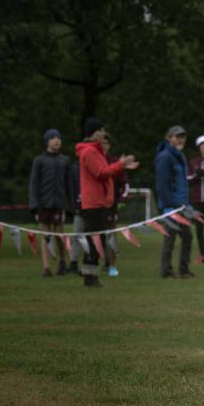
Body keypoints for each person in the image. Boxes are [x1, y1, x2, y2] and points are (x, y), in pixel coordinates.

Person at [75, 118, 139, 287]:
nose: (103, 134)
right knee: (95, 241)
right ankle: (90, 276)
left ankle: (91, 275)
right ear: (93, 132)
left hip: (101, 202)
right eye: (100, 130)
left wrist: (122, 166)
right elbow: (101, 173)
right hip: (94, 203)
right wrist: (121, 164)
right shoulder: (89, 152)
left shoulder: (96, 151)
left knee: (98, 240)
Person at [28, 128, 72, 277]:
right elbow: (34, 184)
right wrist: (34, 205)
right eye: (53, 137)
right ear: (47, 141)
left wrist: (71, 205)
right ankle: (46, 268)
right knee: (45, 236)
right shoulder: (39, 160)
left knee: (60, 235)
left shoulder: (65, 160)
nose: (57, 140)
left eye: (59, 137)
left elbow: (69, 185)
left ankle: (62, 262)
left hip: (59, 205)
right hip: (43, 205)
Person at [155, 125, 194, 279]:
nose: (180, 139)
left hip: (182, 205)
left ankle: (183, 270)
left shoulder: (180, 156)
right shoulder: (165, 157)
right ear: (169, 137)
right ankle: (166, 271)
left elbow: (182, 183)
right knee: (170, 239)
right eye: (177, 136)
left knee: (187, 238)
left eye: (182, 136)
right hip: (171, 207)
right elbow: (162, 184)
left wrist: (186, 202)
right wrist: (168, 206)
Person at [101, 133, 130, 277]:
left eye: (106, 142)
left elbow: (125, 184)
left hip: (111, 206)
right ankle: (96, 262)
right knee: (94, 235)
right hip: (95, 204)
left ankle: (112, 265)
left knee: (111, 235)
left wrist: (119, 201)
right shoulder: (93, 160)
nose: (103, 145)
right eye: (101, 142)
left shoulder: (114, 161)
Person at [188, 134, 204, 264]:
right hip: (197, 200)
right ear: (199, 147)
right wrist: (196, 176)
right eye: (203, 145)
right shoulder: (193, 162)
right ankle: (202, 254)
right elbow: (188, 179)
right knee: (199, 228)